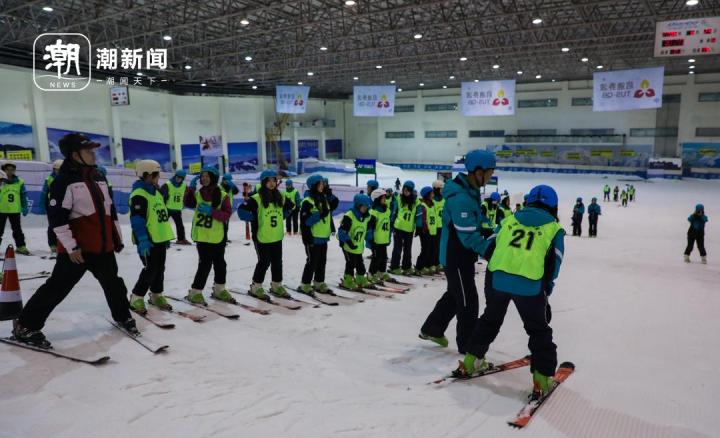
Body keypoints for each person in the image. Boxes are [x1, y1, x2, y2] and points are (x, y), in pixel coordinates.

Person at [12, 133, 137, 347]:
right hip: (78, 251)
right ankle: (26, 325)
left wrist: (116, 237)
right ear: (75, 154)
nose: (93, 154)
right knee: (57, 288)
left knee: (114, 284)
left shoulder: (99, 177)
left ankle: (122, 315)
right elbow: (57, 218)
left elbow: (110, 210)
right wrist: (71, 246)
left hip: (103, 247)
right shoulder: (64, 181)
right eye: (88, 151)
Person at [453, 184, 565, 400]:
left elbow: (490, 245)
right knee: (538, 330)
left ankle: (470, 361)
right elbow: (554, 265)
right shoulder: (554, 229)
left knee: (489, 320)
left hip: (497, 279)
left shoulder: (510, 219)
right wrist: (546, 289)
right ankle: (541, 379)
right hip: (529, 285)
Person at [419, 150, 496, 353]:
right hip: (456, 257)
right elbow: (467, 236)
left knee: (456, 294)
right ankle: (468, 346)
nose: (490, 177)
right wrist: (489, 250)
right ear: (477, 171)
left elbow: (475, 221)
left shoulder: (469, 193)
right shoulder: (461, 197)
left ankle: (432, 328)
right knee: (468, 301)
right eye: (489, 172)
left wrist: (490, 230)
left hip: (461, 254)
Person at [238, 170, 293, 300]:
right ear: (263, 182)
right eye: (269, 181)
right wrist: (253, 218)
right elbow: (241, 211)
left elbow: (292, 206)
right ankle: (256, 286)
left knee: (277, 262)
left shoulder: (281, 196)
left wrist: (285, 214)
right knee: (264, 262)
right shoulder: (257, 198)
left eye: (274, 180)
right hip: (261, 237)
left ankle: (276, 285)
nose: (272, 183)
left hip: (276, 236)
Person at [128, 160, 174, 313]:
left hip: (159, 239)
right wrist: (142, 239)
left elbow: (160, 216)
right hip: (147, 240)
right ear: (146, 175)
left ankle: (156, 294)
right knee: (150, 269)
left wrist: (165, 236)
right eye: (155, 175)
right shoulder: (139, 195)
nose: (158, 177)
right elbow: (137, 220)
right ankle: (136, 296)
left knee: (160, 268)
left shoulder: (156, 192)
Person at [184, 166, 234, 304]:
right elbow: (188, 203)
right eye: (202, 176)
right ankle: (196, 291)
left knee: (220, 264)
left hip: (217, 236)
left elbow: (226, 215)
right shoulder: (198, 193)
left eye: (207, 175)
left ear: (213, 178)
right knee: (204, 264)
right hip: (202, 236)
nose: (204, 178)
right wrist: (191, 189)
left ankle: (219, 288)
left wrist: (211, 211)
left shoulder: (223, 196)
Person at [297, 175, 332, 295]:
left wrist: (331, 228)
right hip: (312, 237)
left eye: (323, 184)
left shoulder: (324, 199)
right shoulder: (307, 201)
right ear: (313, 185)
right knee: (312, 262)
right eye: (320, 184)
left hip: (323, 237)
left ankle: (319, 282)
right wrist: (320, 215)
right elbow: (306, 221)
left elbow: (328, 217)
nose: (323, 186)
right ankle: (305, 284)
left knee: (322, 261)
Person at [338, 194, 372, 290]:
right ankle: (347, 281)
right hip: (348, 246)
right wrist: (349, 243)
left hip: (358, 247)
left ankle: (360, 279)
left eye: (367, 207)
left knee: (360, 263)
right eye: (363, 206)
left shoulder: (366, 217)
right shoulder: (349, 216)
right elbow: (342, 232)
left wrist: (370, 239)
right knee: (351, 263)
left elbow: (367, 230)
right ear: (358, 205)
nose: (365, 208)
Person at [389, 180, 420, 275]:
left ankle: (406, 267)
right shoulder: (398, 198)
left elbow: (418, 215)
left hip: (409, 229)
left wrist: (418, 227)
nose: (405, 192)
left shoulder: (416, 201)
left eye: (408, 190)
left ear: (411, 191)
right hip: (398, 228)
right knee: (397, 248)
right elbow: (394, 212)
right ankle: (395, 266)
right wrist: (391, 223)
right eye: (404, 190)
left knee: (407, 249)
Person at [0, 161, 30, 255]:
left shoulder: (20, 181)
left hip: (15, 210)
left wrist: (25, 206)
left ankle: (21, 246)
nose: (10, 172)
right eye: (7, 169)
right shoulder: (0, 181)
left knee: (17, 230)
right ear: (3, 170)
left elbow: (23, 195)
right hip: (1, 210)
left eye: (12, 170)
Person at [367, 188, 393, 283]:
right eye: (383, 198)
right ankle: (371, 274)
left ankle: (381, 272)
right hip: (376, 240)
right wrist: (370, 239)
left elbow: (388, 225)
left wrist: (389, 236)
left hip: (383, 240)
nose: (385, 199)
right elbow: (370, 228)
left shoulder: (387, 211)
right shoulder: (373, 212)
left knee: (383, 257)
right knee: (376, 258)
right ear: (377, 199)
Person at [160, 169, 191, 245]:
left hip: (177, 209)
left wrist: (184, 202)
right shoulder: (167, 185)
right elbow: (160, 196)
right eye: (177, 176)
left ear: (182, 179)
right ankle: (162, 238)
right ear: (175, 176)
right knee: (162, 224)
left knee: (180, 225)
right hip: (167, 208)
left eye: (180, 177)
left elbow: (187, 195)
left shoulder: (184, 186)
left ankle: (181, 239)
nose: (178, 178)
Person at [39, 159, 63, 253]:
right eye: (56, 169)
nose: (58, 171)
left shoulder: (67, 178)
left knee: (64, 225)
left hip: (64, 205)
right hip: (52, 206)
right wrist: (42, 206)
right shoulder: (49, 179)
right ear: (53, 169)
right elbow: (44, 193)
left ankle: (63, 244)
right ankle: (53, 244)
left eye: (60, 169)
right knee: (52, 225)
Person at [415, 186, 438, 275]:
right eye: (431, 193)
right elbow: (423, 219)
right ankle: (419, 266)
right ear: (427, 195)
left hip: (433, 230)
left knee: (431, 249)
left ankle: (427, 265)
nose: (433, 195)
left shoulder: (432, 204)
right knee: (425, 249)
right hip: (425, 231)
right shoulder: (423, 205)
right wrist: (425, 229)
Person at [220, 172, 240, 242]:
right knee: (223, 224)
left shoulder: (229, 186)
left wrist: (233, 185)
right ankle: (222, 238)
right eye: (228, 181)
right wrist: (229, 185)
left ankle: (225, 238)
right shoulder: (221, 187)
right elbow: (225, 191)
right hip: (222, 208)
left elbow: (236, 191)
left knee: (226, 224)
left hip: (228, 208)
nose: (229, 182)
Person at [432, 180, 445, 272]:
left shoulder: (444, 199)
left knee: (440, 246)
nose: (442, 190)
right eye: (441, 189)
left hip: (442, 226)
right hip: (434, 227)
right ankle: (433, 263)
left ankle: (438, 262)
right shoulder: (432, 200)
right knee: (434, 246)